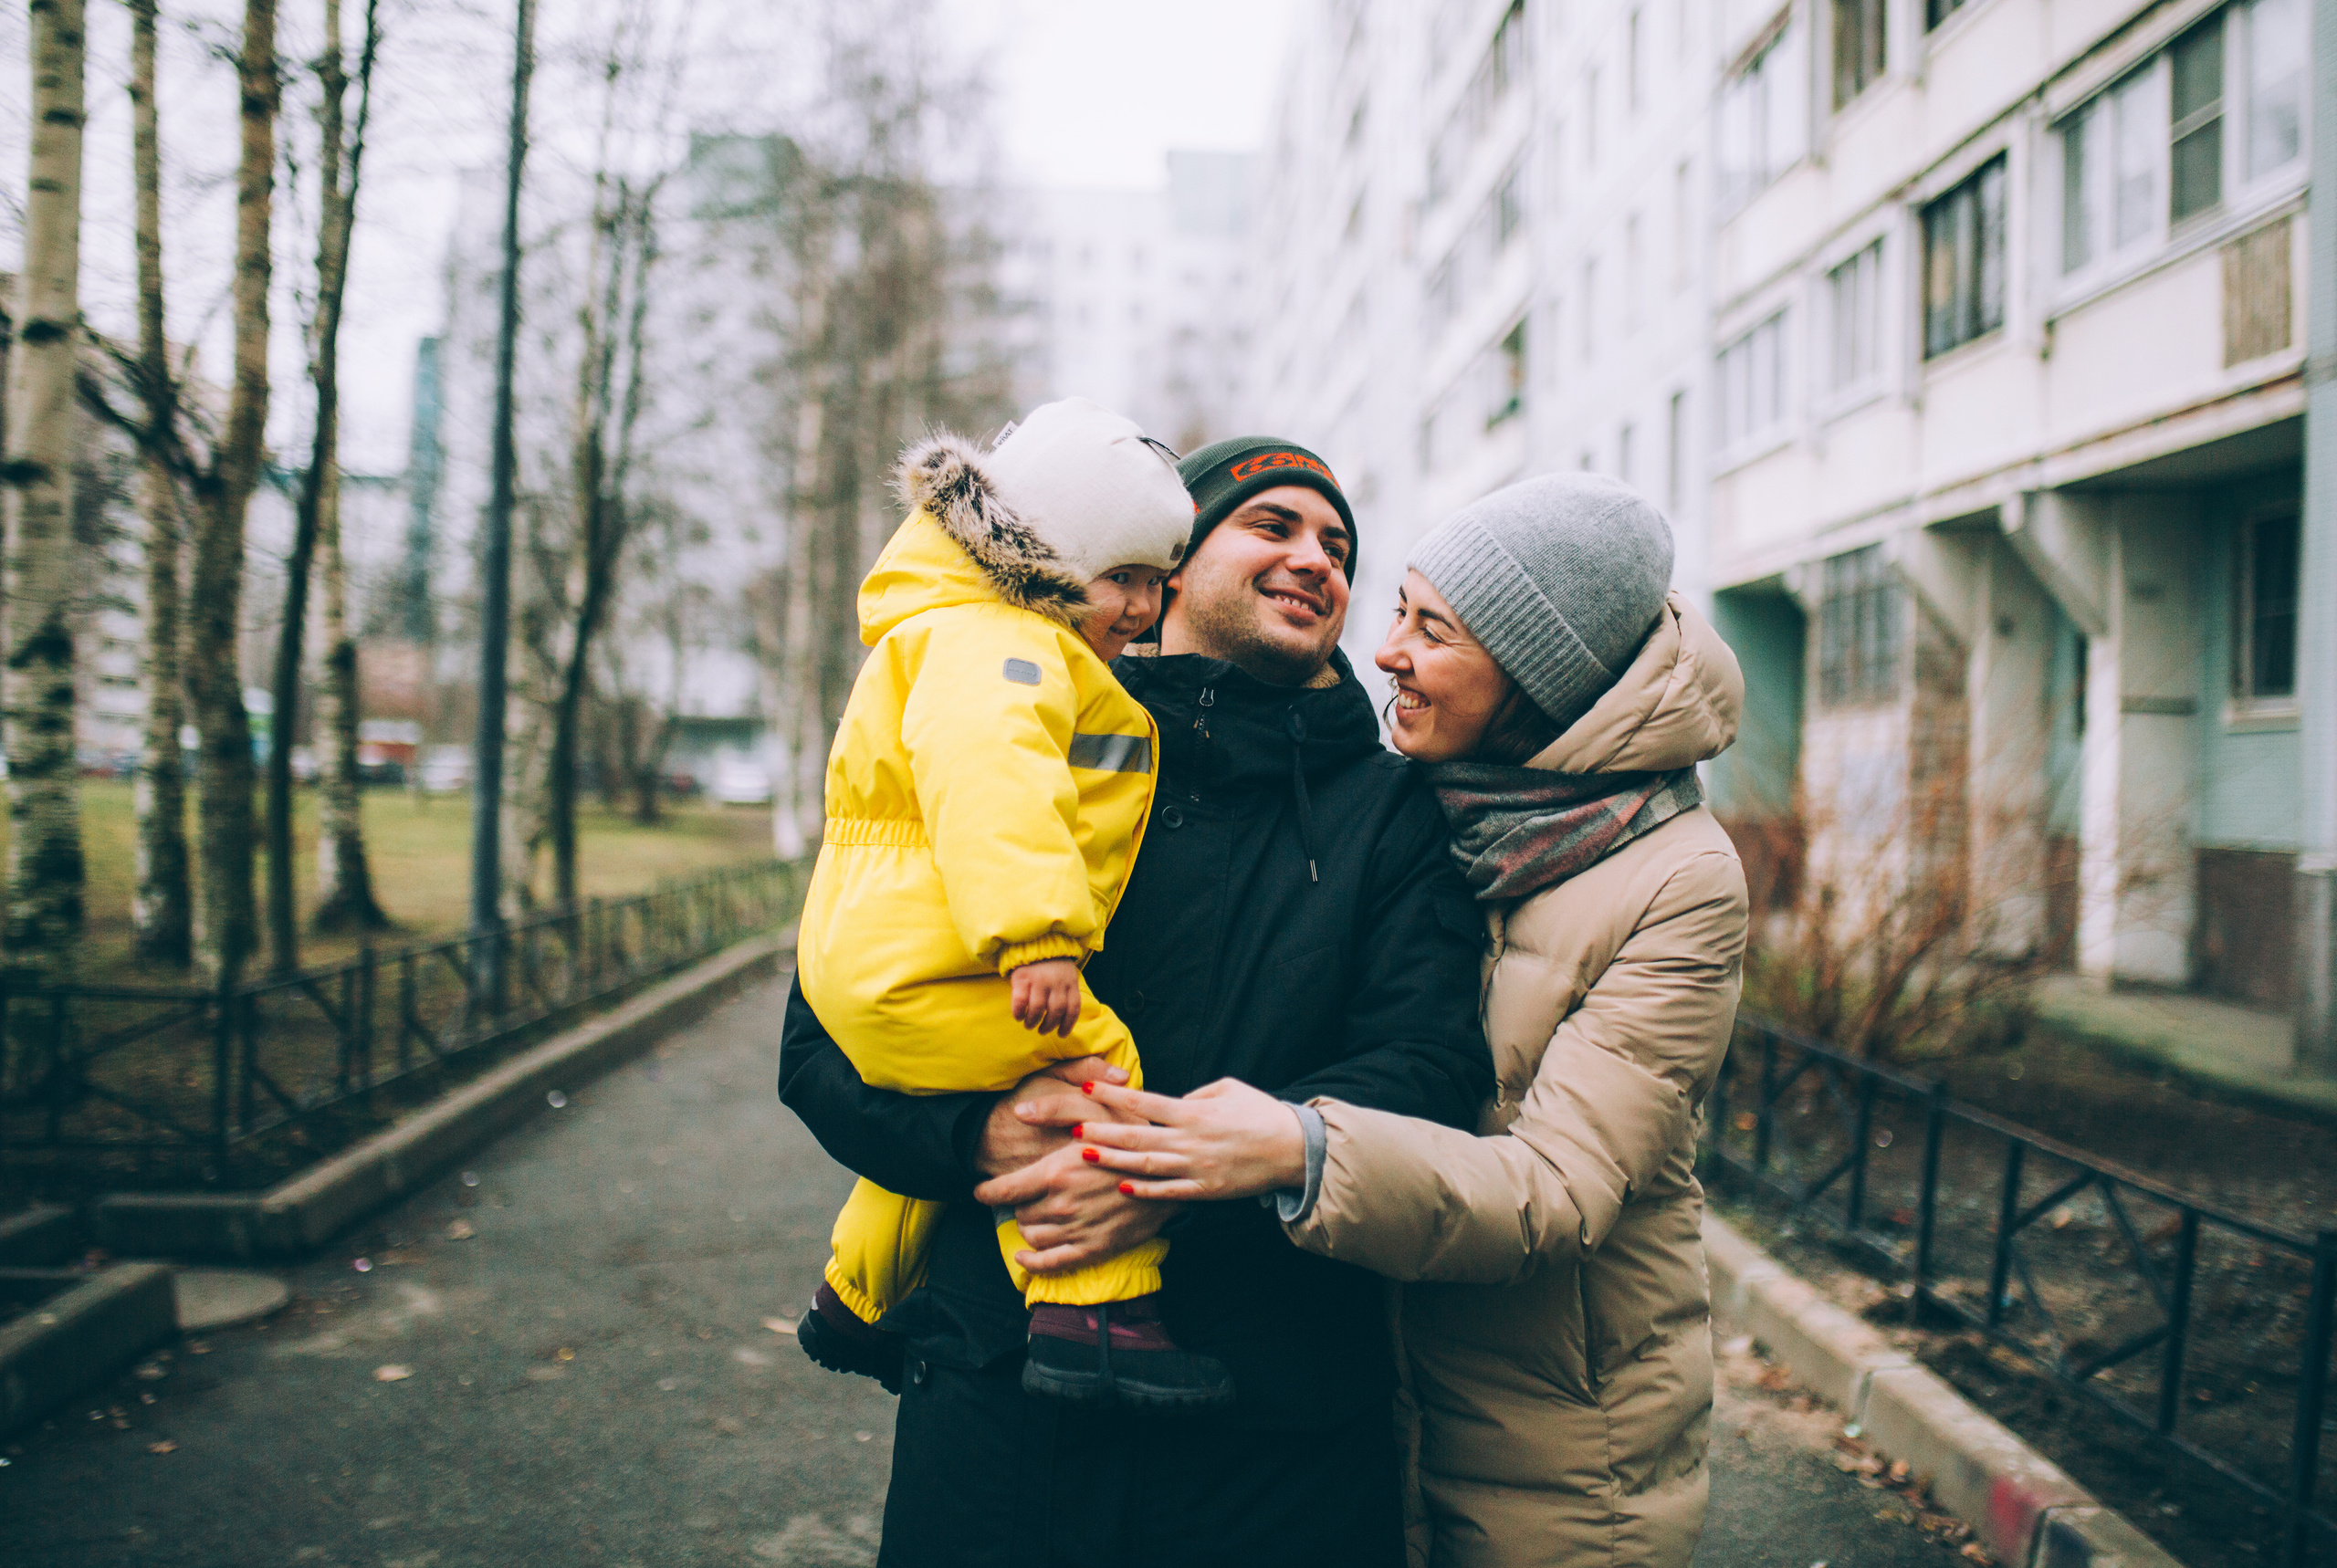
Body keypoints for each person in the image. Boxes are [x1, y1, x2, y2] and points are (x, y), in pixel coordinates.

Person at [778, 434, 1493, 1567]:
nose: (1316, 557)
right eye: (1272, 524)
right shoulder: (1008, 740)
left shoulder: (1389, 810)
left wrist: (1184, 1180)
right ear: (1160, 566)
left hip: (1275, 1439)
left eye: (1339, 545)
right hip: (993, 1416)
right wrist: (979, 1134)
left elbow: (1431, 1072)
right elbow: (819, 1042)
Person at [1075, 472, 1751, 1568]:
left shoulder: (1677, 876)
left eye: (1432, 629)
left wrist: (1298, 1145)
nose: (1387, 651)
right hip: (1374, 1386)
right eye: (1397, 611)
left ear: (1535, 675)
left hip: (1560, 1440)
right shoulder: (1432, 803)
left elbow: (1560, 1190)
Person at [791, 397, 1234, 1410]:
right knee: (1094, 1072)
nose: (1143, 606)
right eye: (1121, 575)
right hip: (941, 952)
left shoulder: (965, 632)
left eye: (1157, 583)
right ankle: (1094, 1313)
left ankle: (851, 1296)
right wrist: (1038, 935)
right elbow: (993, 784)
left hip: (884, 957)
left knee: (950, 1108)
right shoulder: (1005, 646)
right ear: (1048, 549)